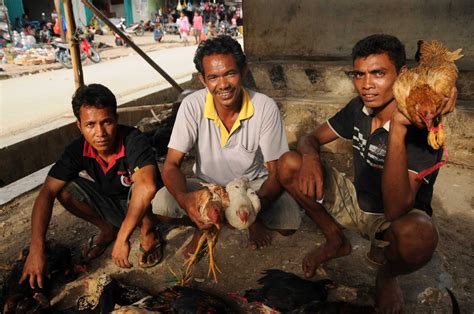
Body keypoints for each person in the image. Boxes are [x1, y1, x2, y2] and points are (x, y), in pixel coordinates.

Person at [277, 34, 457, 313]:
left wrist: (398, 128)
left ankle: (388, 274)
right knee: (289, 163)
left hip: (392, 221)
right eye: (359, 74)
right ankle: (336, 240)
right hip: (357, 203)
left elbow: (397, 210)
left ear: (402, 74)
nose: (366, 85)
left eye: (378, 73)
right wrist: (310, 155)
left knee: (420, 234)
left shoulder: (423, 127)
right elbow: (308, 138)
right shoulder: (358, 108)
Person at [153, 35, 301, 256]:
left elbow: (275, 172)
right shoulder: (192, 106)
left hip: (250, 186)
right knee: (161, 206)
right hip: (208, 187)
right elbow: (171, 165)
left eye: (230, 73)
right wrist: (187, 202)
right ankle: (202, 226)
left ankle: (251, 221)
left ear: (243, 71)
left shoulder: (264, 107)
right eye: (213, 77)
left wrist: (252, 207)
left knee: (289, 222)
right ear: (202, 80)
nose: (222, 85)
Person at [20, 84, 164, 290]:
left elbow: (147, 187)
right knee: (64, 189)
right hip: (114, 205)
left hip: (145, 208)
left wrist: (123, 239)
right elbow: (47, 192)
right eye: (90, 125)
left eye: (106, 122)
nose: (100, 133)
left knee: (145, 190)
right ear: (79, 126)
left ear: (116, 119)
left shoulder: (133, 140)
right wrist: (36, 248)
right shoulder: (77, 150)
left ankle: (148, 232)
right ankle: (107, 229)